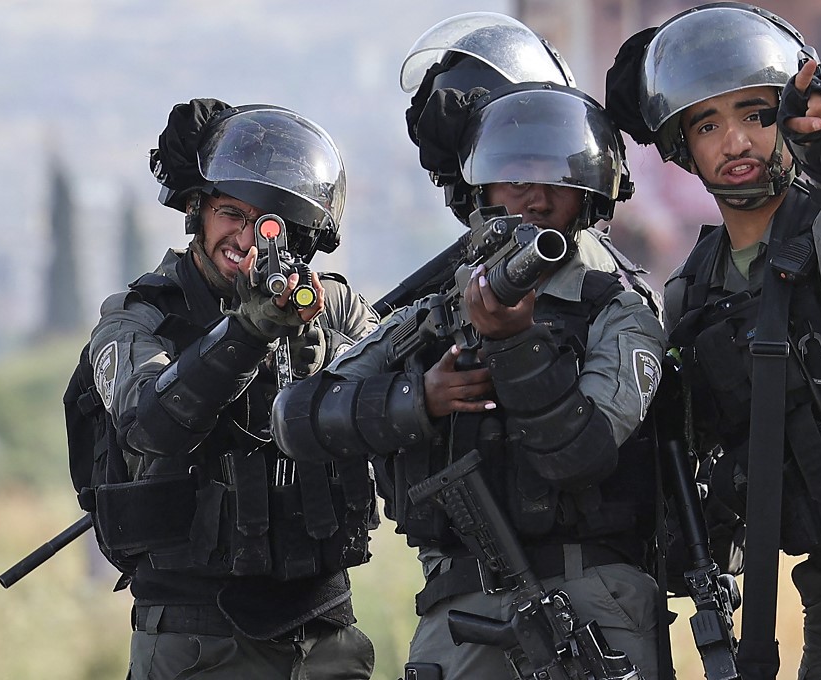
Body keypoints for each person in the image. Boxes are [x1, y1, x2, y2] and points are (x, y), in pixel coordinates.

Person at [605, 4, 821, 680]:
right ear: (682, 147)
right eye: (708, 124)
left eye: (756, 115)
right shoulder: (693, 295)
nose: (735, 142)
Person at [273, 82, 666, 679]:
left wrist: (513, 343)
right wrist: (418, 400)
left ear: (586, 191)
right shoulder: (438, 309)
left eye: (554, 177)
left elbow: (580, 455)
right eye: (514, 176)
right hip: (459, 609)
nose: (533, 198)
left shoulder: (618, 312)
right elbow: (296, 417)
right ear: (481, 189)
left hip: (590, 600)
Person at [87, 98, 379, 679]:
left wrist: (321, 357)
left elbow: (394, 399)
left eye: (267, 223)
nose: (245, 239)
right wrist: (247, 332)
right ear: (197, 211)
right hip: (196, 635)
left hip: (324, 630)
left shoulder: (332, 308)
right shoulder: (141, 317)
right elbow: (150, 424)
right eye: (230, 213)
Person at [399, 10, 662, 317]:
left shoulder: (613, 298)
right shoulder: (455, 283)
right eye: (518, 180)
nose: (539, 201)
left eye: (558, 179)